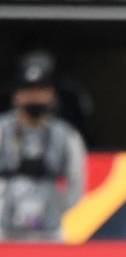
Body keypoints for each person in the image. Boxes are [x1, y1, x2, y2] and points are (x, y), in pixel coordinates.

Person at [0, 56, 86, 242]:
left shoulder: (66, 135)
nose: (34, 96)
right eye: (28, 90)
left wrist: (58, 207)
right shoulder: (3, 130)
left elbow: (77, 182)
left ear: (51, 94)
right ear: (16, 94)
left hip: (49, 227)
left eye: (40, 90)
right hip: (4, 227)